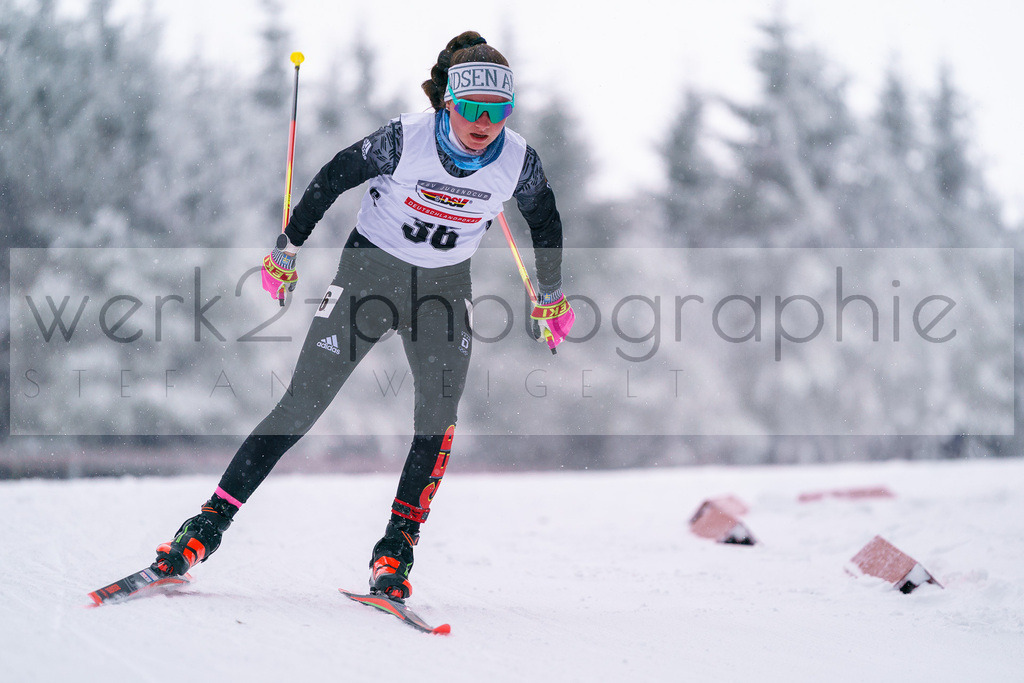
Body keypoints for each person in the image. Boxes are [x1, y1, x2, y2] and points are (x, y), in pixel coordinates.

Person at [150, 31, 575, 602]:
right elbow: (332, 177)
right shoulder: (404, 139)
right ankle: (204, 528)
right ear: (449, 102)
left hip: (443, 292)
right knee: (301, 404)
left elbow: (545, 220)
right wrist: (287, 249)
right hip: (369, 277)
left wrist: (551, 294)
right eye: (472, 108)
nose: (483, 123)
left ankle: (395, 552)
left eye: (498, 111)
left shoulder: (517, 160)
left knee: (438, 420)